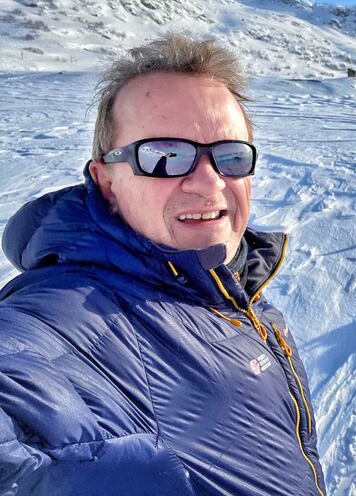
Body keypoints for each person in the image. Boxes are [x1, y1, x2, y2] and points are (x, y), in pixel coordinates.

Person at [0, 35, 326, 495]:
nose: (210, 182)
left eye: (231, 155)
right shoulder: (70, 315)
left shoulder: (231, 285)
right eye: (166, 157)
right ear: (107, 182)